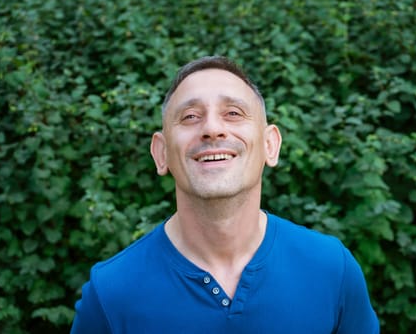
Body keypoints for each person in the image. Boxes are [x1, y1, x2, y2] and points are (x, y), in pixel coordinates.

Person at [70, 56, 380, 333]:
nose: (212, 128)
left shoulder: (330, 268)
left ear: (270, 145)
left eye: (233, 112)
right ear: (161, 153)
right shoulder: (111, 293)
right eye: (190, 116)